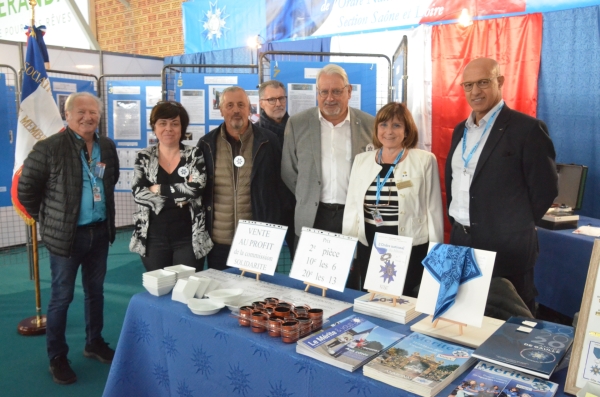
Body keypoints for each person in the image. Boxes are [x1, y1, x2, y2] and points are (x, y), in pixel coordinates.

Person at [18, 92, 119, 385]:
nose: (88, 117)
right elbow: (27, 191)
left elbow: (108, 183)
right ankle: (57, 357)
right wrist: (50, 219)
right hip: (66, 238)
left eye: (93, 112)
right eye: (81, 112)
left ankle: (93, 343)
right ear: (68, 115)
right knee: (62, 297)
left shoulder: (107, 147)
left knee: (95, 291)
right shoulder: (48, 148)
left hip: (99, 232)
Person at [445, 57, 557, 314]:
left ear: (500, 82)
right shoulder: (460, 130)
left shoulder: (527, 129)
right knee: (463, 318)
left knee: (511, 327)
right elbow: (454, 182)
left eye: (483, 82)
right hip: (461, 240)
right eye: (468, 85)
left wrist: (512, 227)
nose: (475, 91)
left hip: (507, 250)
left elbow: (545, 189)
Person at [281, 64, 374, 287]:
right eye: (324, 92)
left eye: (337, 91)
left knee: (349, 284)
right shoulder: (297, 123)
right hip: (314, 216)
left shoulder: (370, 125)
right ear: (317, 93)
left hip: (352, 218)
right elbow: (289, 170)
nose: (330, 98)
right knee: (309, 286)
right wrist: (309, 193)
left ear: (349, 91)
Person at [342, 102, 443, 294]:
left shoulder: (424, 160)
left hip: (409, 244)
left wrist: (435, 255)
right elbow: (353, 209)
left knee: (405, 299)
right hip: (370, 243)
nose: (389, 131)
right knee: (373, 297)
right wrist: (349, 251)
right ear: (377, 128)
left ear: (407, 131)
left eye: (396, 125)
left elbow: (434, 209)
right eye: (383, 125)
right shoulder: (361, 160)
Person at [197, 86, 282, 269]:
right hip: (219, 241)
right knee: (220, 294)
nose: (236, 110)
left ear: (249, 108)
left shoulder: (268, 141)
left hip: (257, 241)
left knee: (258, 294)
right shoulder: (206, 144)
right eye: (230, 105)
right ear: (221, 110)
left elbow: (278, 188)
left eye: (241, 104)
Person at [129, 101, 212, 271]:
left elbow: (196, 189)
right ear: (154, 127)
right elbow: (138, 193)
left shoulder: (194, 154)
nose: (169, 128)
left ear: (182, 127)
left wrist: (157, 189)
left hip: (189, 238)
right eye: (162, 123)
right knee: (160, 290)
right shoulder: (143, 157)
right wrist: (180, 197)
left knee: (186, 290)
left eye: (175, 123)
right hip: (152, 239)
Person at [257, 80, 296, 257]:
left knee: (300, 260)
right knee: (262, 264)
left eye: (281, 98)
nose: (278, 104)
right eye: (272, 100)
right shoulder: (254, 134)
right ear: (261, 103)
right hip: (267, 209)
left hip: (295, 206)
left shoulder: (298, 129)